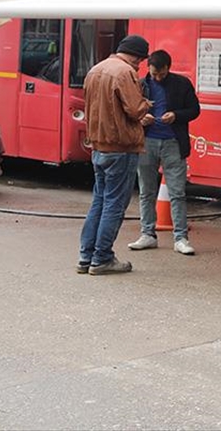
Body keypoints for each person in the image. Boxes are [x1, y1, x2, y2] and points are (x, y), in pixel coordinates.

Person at [79, 35, 152, 276]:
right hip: (121, 147)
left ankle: (86, 257)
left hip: (98, 146)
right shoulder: (124, 72)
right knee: (114, 205)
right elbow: (134, 108)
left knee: (98, 203)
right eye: (140, 61)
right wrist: (146, 106)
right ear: (136, 56)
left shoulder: (95, 69)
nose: (139, 66)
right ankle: (102, 258)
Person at [127, 49, 201, 256]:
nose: (157, 78)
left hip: (173, 142)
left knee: (177, 191)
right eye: (153, 74)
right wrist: (141, 119)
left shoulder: (182, 84)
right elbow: (129, 112)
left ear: (168, 68)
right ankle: (147, 234)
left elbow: (195, 110)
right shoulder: (141, 84)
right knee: (146, 191)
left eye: (160, 74)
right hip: (147, 141)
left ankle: (180, 238)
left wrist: (176, 115)